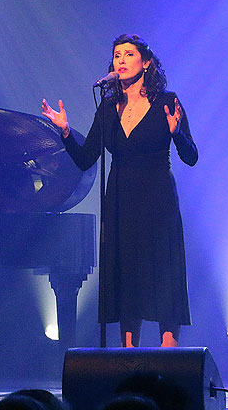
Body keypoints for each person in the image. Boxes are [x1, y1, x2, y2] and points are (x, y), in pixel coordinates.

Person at [42, 34, 197, 347]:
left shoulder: (168, 102)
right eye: (117, 55)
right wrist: (65, 132)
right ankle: (129, 350)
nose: (122, 61)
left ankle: (169, 347)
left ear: (146, 62)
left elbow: (191, 157)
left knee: (161, 266)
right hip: (119, 198)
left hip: (157, 197)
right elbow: (87, 159)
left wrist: (177, 133)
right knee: (126, 269)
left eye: (129, 54)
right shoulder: (108, 108)